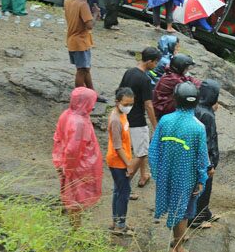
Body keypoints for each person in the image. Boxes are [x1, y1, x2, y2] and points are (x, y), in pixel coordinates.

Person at [149, 82, 209, 252]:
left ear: (176, 99)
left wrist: (158, 172)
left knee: (177, 208)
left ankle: (178, 237)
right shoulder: (198, 127)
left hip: (166, 173)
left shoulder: (165, 120)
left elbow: (154, 149)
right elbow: (201, 158)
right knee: (183, 211)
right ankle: (178, 248)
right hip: (186, 178)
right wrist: (201, 179)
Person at [51, 87, 102, 229]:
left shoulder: (67, 114)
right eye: (92, 102)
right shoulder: (79, 123)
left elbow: (58, 137)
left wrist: (61, 162)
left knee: (68, 191)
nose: (93, 105)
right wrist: (68, 168)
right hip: (76, 166)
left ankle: (68, 213)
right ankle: (75, 230)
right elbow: (73, 149)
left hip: (63, 160)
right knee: (76, 199)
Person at [119, 47, 161, 191]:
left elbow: (120, 93)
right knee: (142, 152)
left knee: (139, 148)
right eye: (155, 62)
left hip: (125, 117)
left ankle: (144, 175)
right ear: (149, 61)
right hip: (137, 121)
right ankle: (124, 185)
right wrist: (155, 125)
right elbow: (148, 105)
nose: (156, 65)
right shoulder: (145, 80)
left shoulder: (128, 72)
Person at [106, 87, 135, 237]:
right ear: (117, 102)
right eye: (126, 104)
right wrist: (129, 165)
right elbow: (117, 146)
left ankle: (115, 222)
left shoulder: (122, 113)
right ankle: (120, 226)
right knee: (124, 193)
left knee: (118, 191)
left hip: (122, 159)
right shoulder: (116, 119)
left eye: (131, 104)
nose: (129, 107)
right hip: (118, 161)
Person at [192, 79, 221, 229]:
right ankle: (196, 219)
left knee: (201, 187)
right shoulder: (207, 115)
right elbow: (207, 142)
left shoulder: (196, 108)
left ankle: (205, 212)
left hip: (196, 156)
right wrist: (210, 164)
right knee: (203, 187)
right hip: (205, 159)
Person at [63, 0, 101, 92]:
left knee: (85, 69)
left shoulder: (68, 0)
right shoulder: (82, 4)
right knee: (81, 71)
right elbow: (89, 25)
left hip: (72, 39)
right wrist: (95, 14)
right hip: (81, 42)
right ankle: (79, 97)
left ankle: (92, 92)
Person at [152, 54, 198, 120]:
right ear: (180, 67)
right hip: (162, 109)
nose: (187, 69)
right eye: (186, 68)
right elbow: (188, 86)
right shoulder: (174, 79)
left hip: (161, 106)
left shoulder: (171, 73)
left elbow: (188, 79)